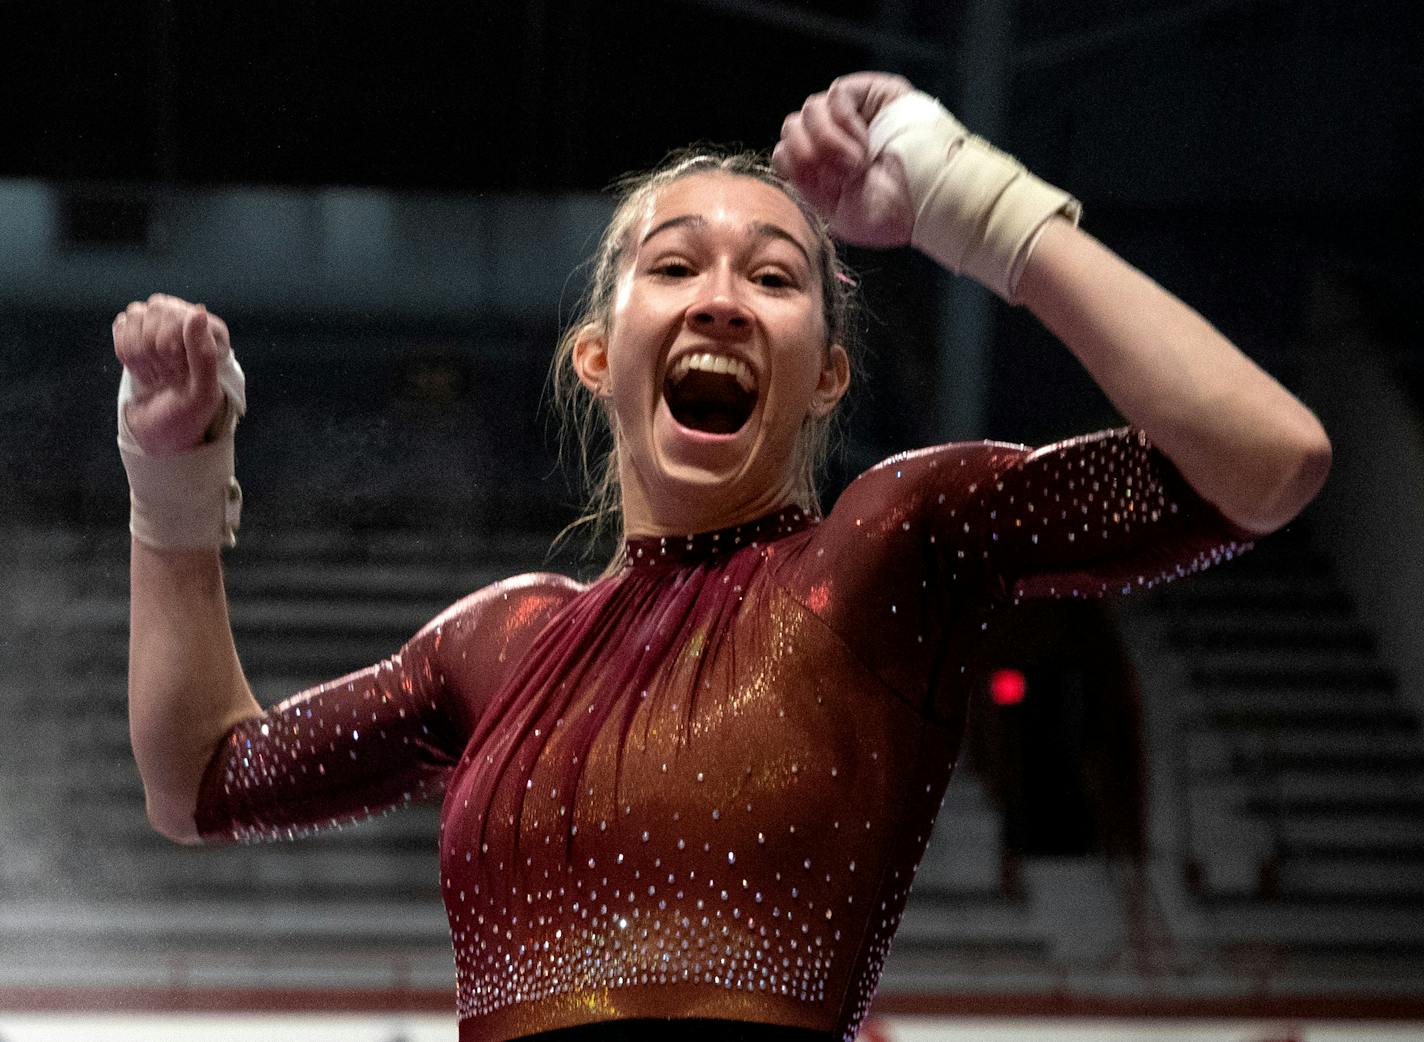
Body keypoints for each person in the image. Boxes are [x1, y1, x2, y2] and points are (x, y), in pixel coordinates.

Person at [113, 72, 1330, 1042]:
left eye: (773, 276)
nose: (719, 300)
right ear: (597, 354)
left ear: (825, 376)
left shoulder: (889, 549)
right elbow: (201, 781)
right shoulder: (497, 644)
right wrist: (173, 478)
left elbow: (1264, 459)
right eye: (674, 263)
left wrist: (975, 205)